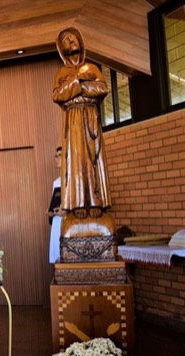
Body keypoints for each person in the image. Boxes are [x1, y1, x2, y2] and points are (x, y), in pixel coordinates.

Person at [53, 27, 111, 220]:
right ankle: (78, 203)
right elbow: (58, 95)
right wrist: (78, 80)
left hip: (90, 116)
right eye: (66, 41)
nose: (71, 42)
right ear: (62, 50)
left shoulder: (92, 68)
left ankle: (95, 202)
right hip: (73, 119)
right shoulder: (62, 72)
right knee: (76, 161)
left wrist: (76, 89)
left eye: (73, 38)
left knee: (92, 158)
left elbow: (102, 89)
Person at [47, 146, 65, 263]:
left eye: (60, 155)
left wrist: (66, 212)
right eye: (56, 156)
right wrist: (50, 212)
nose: (56, 158)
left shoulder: (73, 179)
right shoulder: (56, 182)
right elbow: (54, 202)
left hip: (67, 224)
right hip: (56, 223)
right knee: (57, 259)